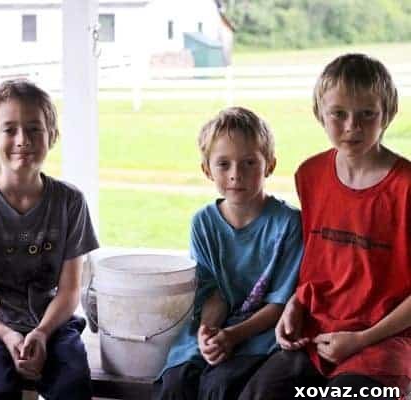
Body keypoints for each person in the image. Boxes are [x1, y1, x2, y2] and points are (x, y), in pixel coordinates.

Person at [240, 54, 411, 400]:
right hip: (315, 335)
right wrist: (294, 305)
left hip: (382, 343)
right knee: (258, 394)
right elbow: (320, 261)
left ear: (388, 114)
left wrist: (362, 339)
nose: (352, 126)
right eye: (339, 114)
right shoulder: (311, 175)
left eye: (367, 114)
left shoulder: (406, 187)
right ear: (320, 113)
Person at [0, 79, 99, 400]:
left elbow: (69, 291)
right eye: (9, 129)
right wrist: (7, 334)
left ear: (51, 135)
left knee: (73, 384)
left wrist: (41, 332)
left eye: (35, 129)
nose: (23, 140)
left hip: (52, 322)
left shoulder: (70, 202)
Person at [153, 106, 303, 400]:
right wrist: (208, 332)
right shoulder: (204, 223)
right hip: (216, 327)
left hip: (259, 335)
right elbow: (214, 293)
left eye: (249, 163)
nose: (236, 175)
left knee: (218, 388)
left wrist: (232, 337)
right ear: (206, 169)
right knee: (175, 383)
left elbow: (279, 305)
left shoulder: (287, 224)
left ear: (270, 165)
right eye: (224, 164)